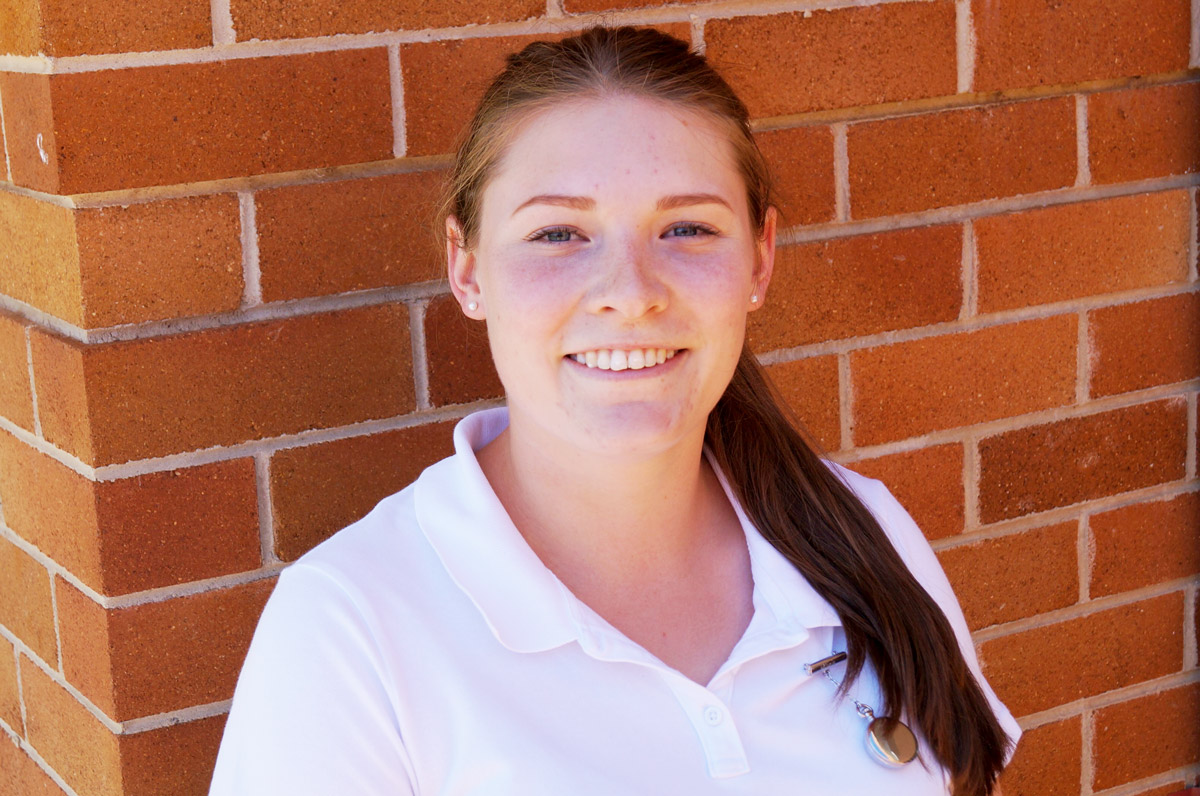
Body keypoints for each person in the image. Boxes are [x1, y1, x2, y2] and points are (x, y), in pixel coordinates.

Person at [209, 26, 1021, 796]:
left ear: (759, 259)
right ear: (468, 270)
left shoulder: (860, 533)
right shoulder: (349, 629)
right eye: (559, 234)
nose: (631, 293)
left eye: (688, 228)